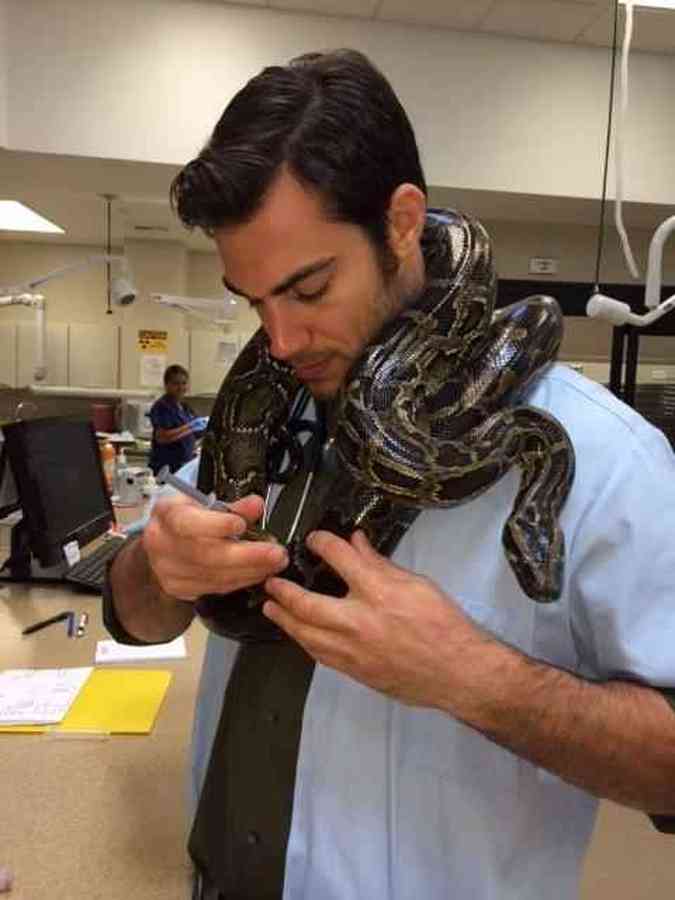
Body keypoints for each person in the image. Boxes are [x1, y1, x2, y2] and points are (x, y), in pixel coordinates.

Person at [103, 50, 675, 900]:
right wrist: (159, 564)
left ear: (402, 222)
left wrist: (473, 678)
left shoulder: (604, 462)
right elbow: (133, 617)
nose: (281, 339)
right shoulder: (274, 405)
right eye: (254, 302)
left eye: (309, 287)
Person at [147, 364, 207, 475]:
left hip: (184, 465)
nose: (181, 387)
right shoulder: (161, 406)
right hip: (166, 468)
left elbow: (196, 433)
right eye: (176, 384)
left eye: (184, 383)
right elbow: (162, 437)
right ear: (166, 385)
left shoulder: (185, 407)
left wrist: (207, 427)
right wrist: (190, 427)